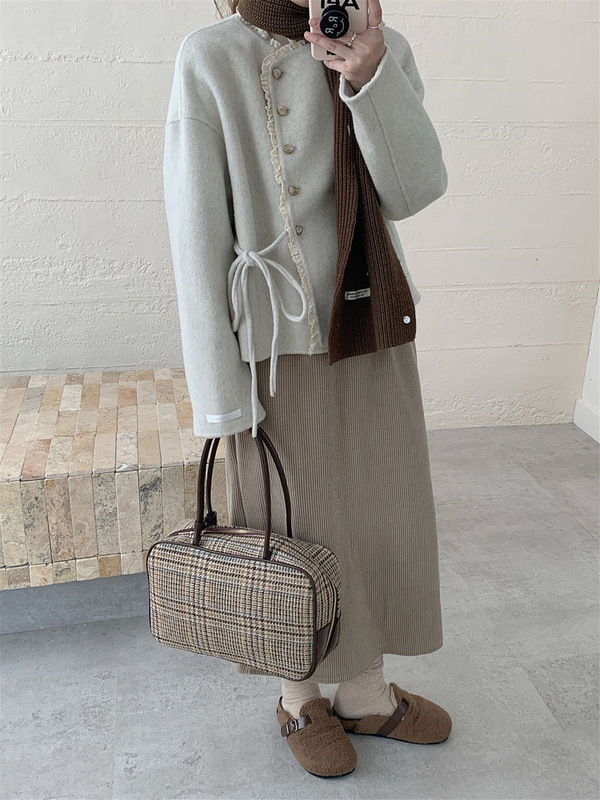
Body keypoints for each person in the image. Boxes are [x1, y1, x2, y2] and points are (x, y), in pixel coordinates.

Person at [163, 0, 452, 778]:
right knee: (289, 524)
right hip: (272, 341)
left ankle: (365, 692)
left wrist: (369, 75)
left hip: (371, 317)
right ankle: (299, 699)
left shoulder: (377, 46)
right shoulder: (212, 55)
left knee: (383, 510)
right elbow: (194, 229)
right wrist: (218, 391)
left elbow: (416, 189)